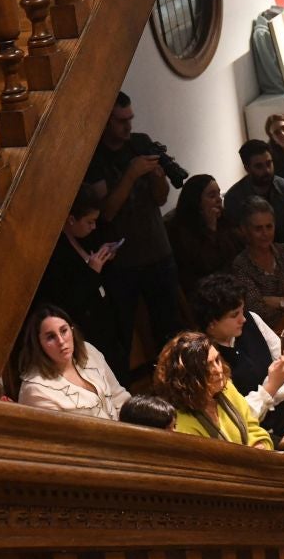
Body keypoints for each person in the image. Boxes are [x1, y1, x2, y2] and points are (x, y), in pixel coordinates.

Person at [85, 93, 182, 353]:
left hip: (158, 252)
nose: (128, 126)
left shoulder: (140, 143)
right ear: (105, 121)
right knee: (121, 336)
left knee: (171, 330)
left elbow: (160, 199)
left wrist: (159, 177)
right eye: (120, 121)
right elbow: (106, 212)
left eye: (130, 119)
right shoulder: (95, 156)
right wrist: (131, 174)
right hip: (121, 264)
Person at [34, 190, 130, 378]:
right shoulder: (55, 252)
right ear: (70, 219)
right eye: (89, 222)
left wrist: (104, 258)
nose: (94, 227)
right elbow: (68, 297)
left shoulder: (84, 239)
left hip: (105, 320)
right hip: (85, 327)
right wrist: (93, 270)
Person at [192, 274, 284, 440]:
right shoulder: (205, 356)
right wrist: (270, 388)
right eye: (234, 315)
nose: (243, 318)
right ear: (212, 323)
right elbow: (231, 418)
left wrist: (267, 400)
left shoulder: (251, 320)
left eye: (242, 310)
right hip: (253, 434)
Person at [154, 332, 273, 448]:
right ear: (188, 377)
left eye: (217, 360)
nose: (218, 370)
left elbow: (251, 425)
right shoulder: (183, 425)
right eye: (207, 366)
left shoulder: (226, 388)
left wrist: (260, 446)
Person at [16, 306, 131, 419]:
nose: (61, 341)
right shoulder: (35, 389)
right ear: (38, 344)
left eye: (64, 331)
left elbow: (119, 396)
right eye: (51, 337)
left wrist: (135, 419)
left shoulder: (88, 351)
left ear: (72, 330)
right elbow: (62, 436)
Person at [226, 196, 284, 325]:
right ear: (245, 230)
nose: (265, 233)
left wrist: (275, 301)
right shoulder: (241, 266)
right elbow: (259, 313)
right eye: (258, 229)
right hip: (268, 335)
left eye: (269, 226)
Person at [224, 138, 284, 247]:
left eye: (269, 163)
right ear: (247, 168)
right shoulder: (234, 198)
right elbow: (237, 241)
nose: (267, 170)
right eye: (259, 166)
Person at [168, 173, 233, 294]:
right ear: (196, 201)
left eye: (218, 194)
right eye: (212, 196)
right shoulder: (179, 229)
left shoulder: (224, 220)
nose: (219, 199)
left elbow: (233, 255)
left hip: (228, 284)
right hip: (204, 291)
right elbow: (207, 265)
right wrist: (211, 227)